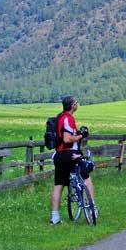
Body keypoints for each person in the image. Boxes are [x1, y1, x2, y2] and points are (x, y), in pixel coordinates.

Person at [50, 96, 95, 224]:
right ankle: (92, 209)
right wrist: (81, 135)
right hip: (70, 154)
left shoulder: (60, 117)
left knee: (58, 185)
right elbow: (67, 139)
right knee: (86, 178)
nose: (78, 104)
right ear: (72, 105)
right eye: (76, 103)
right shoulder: (68, 118)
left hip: (59, 155)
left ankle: (54, 217)